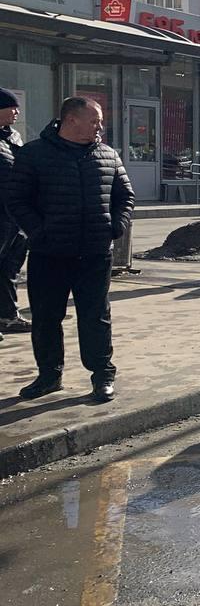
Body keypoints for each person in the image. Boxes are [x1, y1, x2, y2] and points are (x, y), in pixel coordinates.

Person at [5, 97, 134, 402]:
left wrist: (115, 227)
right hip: (50, 254)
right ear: (71, 120)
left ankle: (102, 374)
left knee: (96, 316)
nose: (100, 125)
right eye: (95, 120)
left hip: (94, 253)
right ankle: (49, 376)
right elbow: (16, 200)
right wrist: (39, 231)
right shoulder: (34, 154)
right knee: (47, 317)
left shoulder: (107, 154)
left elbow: (124, 196)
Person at [0, 87, 30, 336]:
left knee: (10, 267)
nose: (16, 111)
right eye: (12, 107)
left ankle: (8, 315)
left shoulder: (14, 137)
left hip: (15, 215)